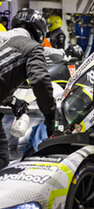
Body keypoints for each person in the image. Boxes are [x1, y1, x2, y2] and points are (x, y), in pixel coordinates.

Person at [0, 8, 56, 170]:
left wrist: (13, 101)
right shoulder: (31, 48)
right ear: (39, 32)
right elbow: (39, 80)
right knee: (2, 159)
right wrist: (50, 116)